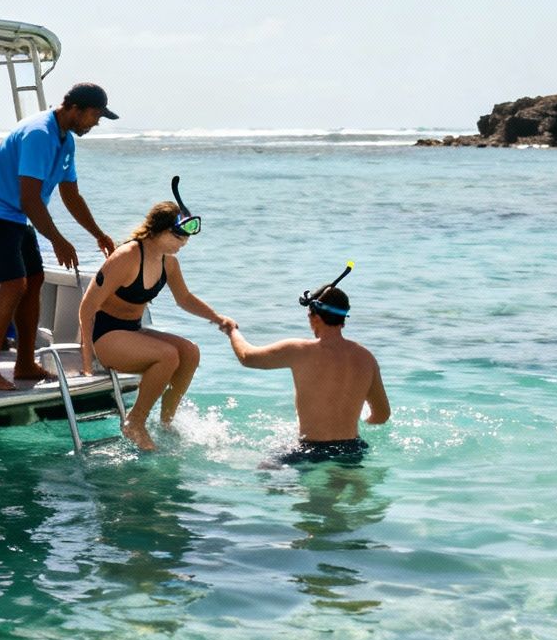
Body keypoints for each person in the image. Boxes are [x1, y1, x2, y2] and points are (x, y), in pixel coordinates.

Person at [0, 83, 119, 390]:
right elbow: (30, 199)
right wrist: (57, 239)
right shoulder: (39, 134)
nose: (96, 123)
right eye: (94, 115)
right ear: (74, 109)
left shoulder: (66, 141)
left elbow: (70, 194)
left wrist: (97, 233)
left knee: (34, 280)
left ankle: (24, 365)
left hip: (16, 216)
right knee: (13, 284)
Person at [77, 181, 234, 452]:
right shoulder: (125, 257)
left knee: (190, 352)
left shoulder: (168, 261)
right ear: (158, 231)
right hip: (105, 337)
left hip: (132, 331)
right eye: (178, 237)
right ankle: (134, 422)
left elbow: (184, 298)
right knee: (167, 355)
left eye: (186, 239)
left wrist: (217, 318)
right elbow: (87, 308)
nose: (183, 243)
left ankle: (166, 422)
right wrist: (88, 360)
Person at [222, 266, 389, 465]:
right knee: (347, 491)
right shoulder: (366, 357)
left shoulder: (299, 350)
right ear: (344, 318)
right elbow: (381, 415)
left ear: (315, 317)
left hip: (311, 450)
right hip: (353, 448)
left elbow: (247, 357)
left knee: (267, 472)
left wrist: (232, 331)